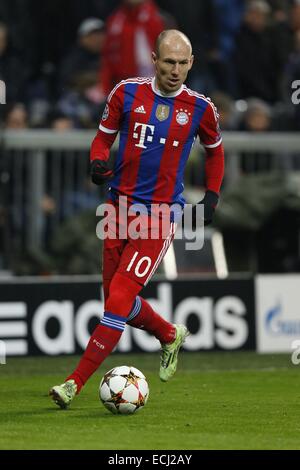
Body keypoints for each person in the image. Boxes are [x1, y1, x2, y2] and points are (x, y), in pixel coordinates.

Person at [49, 29, 224, 408]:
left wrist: (211, 195)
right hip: (117, 209)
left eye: (183, 63)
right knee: (117, 301)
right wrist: (97, 161)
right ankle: (168, 333)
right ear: (155, 60)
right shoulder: (125, 93)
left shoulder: (201, 108)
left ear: (191, 63)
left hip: (160, 215)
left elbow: (215, 152)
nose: (176, 70)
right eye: (169, 62)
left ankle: (73, 384)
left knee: (118, 300)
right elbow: (102, 138)